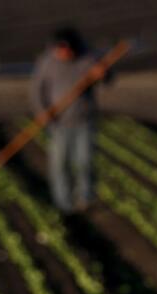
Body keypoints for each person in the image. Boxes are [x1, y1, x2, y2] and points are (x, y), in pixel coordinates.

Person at [30, 27, 110, 214]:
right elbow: (36, 90)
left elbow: (108, 78)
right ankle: (63, 203)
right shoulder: (47, 62)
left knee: (85, 161)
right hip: (58, 123)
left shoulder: (87, 58)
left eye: (68, 50)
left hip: (84, 120)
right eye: (61, 50)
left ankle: (86, 197)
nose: (65, 54)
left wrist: (103, 74)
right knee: (59, 164)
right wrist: (42, 112)